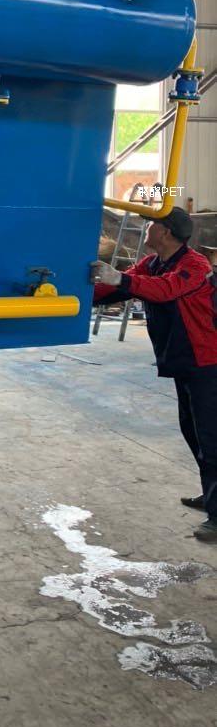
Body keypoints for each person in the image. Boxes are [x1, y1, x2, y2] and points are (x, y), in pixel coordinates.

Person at [91, 206, 217, 543]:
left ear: (165, 232)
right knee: (193, 433)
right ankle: (213, 494)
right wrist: (81, 292)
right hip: (184, 360)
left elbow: (164, 290)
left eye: (151, 224)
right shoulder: (153, 263)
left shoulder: (195, 265)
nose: (146, 229)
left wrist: (118, 277)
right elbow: (123, 288)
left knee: (211, 437)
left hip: (207, 361)